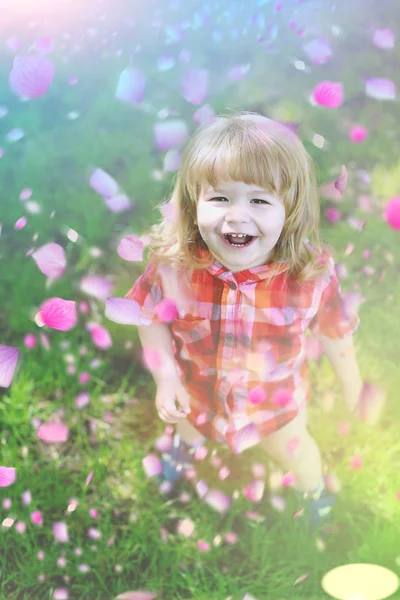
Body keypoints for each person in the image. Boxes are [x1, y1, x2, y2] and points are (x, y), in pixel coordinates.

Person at [124, 111, 362, 533]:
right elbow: (149, 317)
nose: (236, 216)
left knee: (297, 453)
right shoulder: (174, 268)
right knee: (188, 430)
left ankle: (314, 496)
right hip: (196, 392)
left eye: (258, 200)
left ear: (289, 211)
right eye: (219, 198)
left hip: (275, 406)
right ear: (192, 203)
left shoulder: (309, 277)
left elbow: (334, 330)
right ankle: (183, 453)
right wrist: (166, 378)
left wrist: (351, 383)